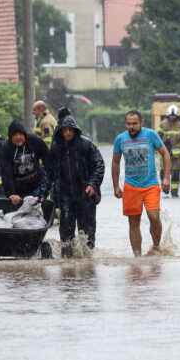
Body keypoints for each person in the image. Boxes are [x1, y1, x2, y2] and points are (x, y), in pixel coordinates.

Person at [111, 110, 171, 256]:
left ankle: (156, 248)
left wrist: (166, 177)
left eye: (134, 124)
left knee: (154, 216)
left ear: (141, 123)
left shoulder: (150, 135)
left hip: (151, 184)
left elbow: (165, 154)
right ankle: (137, 258)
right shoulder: (120, 139)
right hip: (131, 186)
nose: (131, 127)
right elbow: (115, 162)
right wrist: (116, 186)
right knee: (133, 221)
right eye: (128, 124)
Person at [48, 108, 105, 254]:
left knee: (87, 233)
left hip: (85, 194)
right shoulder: (56, 148)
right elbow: (49, 171)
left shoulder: (86, 144)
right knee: (66, 233)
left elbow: (99, 164)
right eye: (65, 129)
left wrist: (93, 184)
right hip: (65, 196)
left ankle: (87, 264)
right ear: (60, 130)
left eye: (70, 129)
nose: (67, 132)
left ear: (75, 130)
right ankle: (67, 267)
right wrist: (52, 191)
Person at [0, 120, 50, 205]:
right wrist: (11, 194)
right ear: (10, 137)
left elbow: (49, 162)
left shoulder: (35, 141)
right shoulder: (6, 149)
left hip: (36, 187)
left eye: (20, 134)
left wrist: (44, 190)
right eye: (15, 135)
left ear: (25, 134)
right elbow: (6, 174)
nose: (18, 137)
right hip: (18, 192)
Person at [156, 104, 180, 197]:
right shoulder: (162, 124)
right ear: (168, 115)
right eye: (171, 116)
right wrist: (155, 148)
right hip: (165, 154)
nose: (173, 118)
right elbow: (157, 137)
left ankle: (174, 192)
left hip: (176, 155)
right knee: (163, 172)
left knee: (176, 173)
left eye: (174, 116)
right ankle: (165, 189)